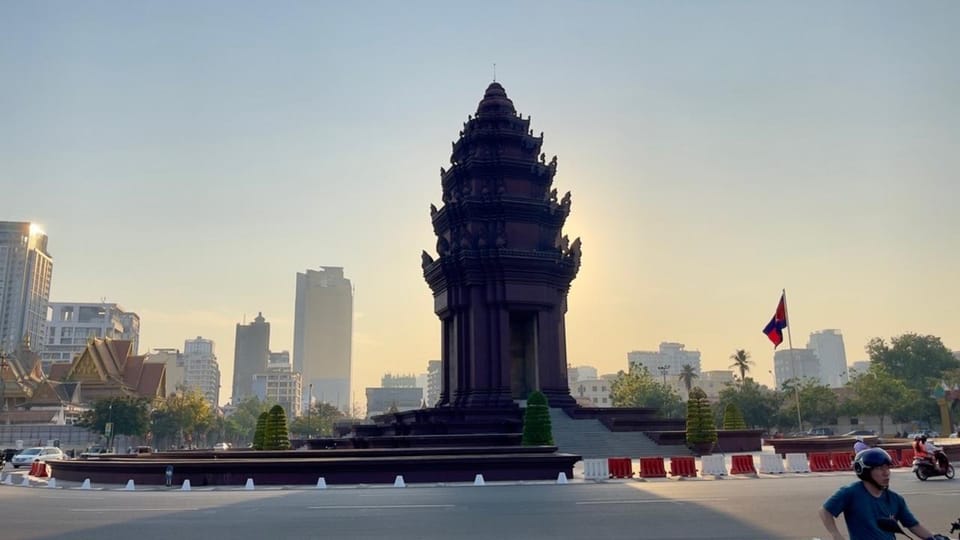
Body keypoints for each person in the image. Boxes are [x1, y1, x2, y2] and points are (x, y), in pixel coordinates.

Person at [819, 448, 941, 540]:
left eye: (887, 468)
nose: (886, 473)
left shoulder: (895, 499)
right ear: (865, 471)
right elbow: (825, 511)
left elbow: (914, 526)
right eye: (879, 468)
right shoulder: (851, 492)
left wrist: (933, 538)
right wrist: (836, 535)